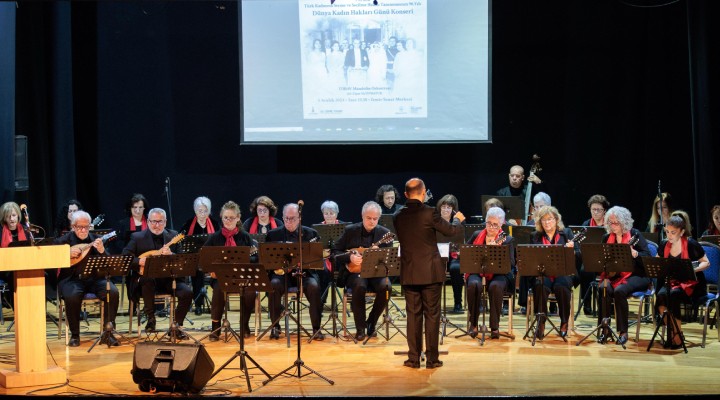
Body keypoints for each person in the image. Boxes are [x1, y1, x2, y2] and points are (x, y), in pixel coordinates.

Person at [393, 178, 464, 369]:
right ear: (423, 192)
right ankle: (432, 360)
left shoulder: (397, 216)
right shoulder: (429, 212)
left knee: (412, 316)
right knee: (432, 315)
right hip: (431, 273)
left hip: (409, 272)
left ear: (406, 194)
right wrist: (458, 219)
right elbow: (451, 231)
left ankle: (413, 359)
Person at [122, 208, 193, 338]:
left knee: (187, 293)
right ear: (148, 222)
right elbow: (125, 258)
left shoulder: (173, 236)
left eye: (160, 222)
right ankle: (150, 319)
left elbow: (183, 260)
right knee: (147, 280)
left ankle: (175, 326)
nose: (156, 225)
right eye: (153, 221)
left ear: (165, 222)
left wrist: (171, 255)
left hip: (168, 279)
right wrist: (139, 261)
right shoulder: (137, 237)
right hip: (146, 281)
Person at [54, 211, 120, 347]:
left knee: (112, 292)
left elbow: (109, 265)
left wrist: (102, 251)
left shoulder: (97, 239)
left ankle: (107, 333)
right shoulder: (63, 241)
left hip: (95, 279)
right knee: (72, 296)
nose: (83, 230)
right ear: (73, 226)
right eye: (79, 227)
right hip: (72, 279)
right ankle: (75, 335)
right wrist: (64, 254)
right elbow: (51, 260)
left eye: (86, 226)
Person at [332, 201, 392, 341]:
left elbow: (389, 259)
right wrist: (350, 257)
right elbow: (335, 252)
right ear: (362, 216)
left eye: (375, 219)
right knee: (359, 285)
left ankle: (371, 322)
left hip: (376, 273)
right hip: (355, 272)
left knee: (386, 286)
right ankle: (360, 328)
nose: (372, 221)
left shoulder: (385, 234)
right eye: (368, 218)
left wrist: (380, 254)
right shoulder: (350, 230)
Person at [266, 203, 324, 340]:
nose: (289, 222)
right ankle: (275, 326)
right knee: (273, 285)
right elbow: (267, 261)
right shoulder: (273, 235)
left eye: (292, 218)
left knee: (314, 287)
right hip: (282, 275)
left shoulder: (311, 234)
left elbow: (316, 260)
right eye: (286, 218)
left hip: (304, 274)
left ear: (299, 218)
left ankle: (316, 327)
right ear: (282, 217)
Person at [596, 206, 651, 346]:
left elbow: (647, 257)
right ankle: (605, 329)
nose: (613, 226)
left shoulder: (635, 235)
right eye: (610, 223)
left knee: (620, 291)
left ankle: (623, 331)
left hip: (637, 275)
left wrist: (636, 254)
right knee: (603, 288)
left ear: (624, 222)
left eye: (616, 223)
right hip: (615, 274)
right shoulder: (606, 238)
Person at [203, 201, 258, 341]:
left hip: (241, 277)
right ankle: (215, 327)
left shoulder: (245, 237)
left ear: (238, 218)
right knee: (218, 290)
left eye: (231, 218)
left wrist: (244, 261)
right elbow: (204, 259)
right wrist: (212, 271)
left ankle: (244, 324)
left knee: (251, 291)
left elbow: (255, 258)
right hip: (221, 278)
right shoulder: (214, 238)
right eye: (225, 217)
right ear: (221, 218)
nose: (228, 221)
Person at [654, 211, 710, 349]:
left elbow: (706, 262)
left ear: (682, 231)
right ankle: (675, 332)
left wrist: (691, 269)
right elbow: (656, 261)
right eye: (667, 232)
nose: (669, 235)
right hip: (671, 282)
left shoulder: (691, 244)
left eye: (673, 232)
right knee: (661, 297)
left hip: (691, 283)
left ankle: (677, 337)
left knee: (673, 295)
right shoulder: (664, 244)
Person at [465, 206, 515, 339]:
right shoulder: (477, 235)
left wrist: (498, 252)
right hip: (478, 271)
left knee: (495, 286)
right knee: (474, 284)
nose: (491, 227)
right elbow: (466, 253)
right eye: (489, 223)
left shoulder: (507, 239)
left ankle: (494, 327)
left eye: (495, 225)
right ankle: (474, 323)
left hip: (499, 273)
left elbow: (511, 263)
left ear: (501, 225)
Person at [529, 205, 576, 339]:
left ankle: (564, 322)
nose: (547, 222)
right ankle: (541, 321)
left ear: (556, 220)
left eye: (550, 219)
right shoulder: (535, 236)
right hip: (544, 272)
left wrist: (570, 250)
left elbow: (578, 255)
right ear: (539, 222)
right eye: (543, 220)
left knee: (562, 286)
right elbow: (531, 257)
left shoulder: (566, 233)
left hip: (563, 272)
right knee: (540, 285)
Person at [180, 196, 219, 315]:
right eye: (200, 211)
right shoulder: (188, 224)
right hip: (194, 258)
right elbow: (181, 241)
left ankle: (217, 304)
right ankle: (198, 304)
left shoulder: (215, 223)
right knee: (197, 271)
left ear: (209, 211)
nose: (202, 214)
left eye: (205, 211)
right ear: (195, 211)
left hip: (211, 258)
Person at [436, 194, 464, 313]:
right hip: (437, 254)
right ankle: (434, 302)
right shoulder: (435, 221)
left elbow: (460, 243)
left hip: (453, 254)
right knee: (433, 267)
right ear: (440, 208)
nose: (446, 209)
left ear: (453, 210)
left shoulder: (458, 223)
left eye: (449, 207)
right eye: (444, 207)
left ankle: (458, 302)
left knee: (455, 268)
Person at [1, 202, 30, 307]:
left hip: (24, 265)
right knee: (14, 276)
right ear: (4, 218)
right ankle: (18, 308)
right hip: (6, 268)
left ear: (18, 215)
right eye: (8, 216)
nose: (11, 219)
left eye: (13, 215)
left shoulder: (26, 230)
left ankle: (32, 306)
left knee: (40, 274)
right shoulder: (1, 232)